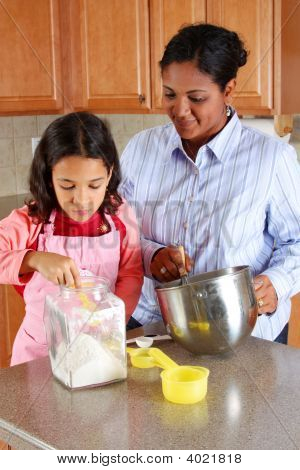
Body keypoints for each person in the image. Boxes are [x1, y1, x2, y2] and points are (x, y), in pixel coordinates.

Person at [119, 23, 300, 343]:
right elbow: (117, 230)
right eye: (170, 95)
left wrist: (278, 282)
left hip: (244, 334)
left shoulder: (272, 158)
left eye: (197, 98)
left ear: (228, 90)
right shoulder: (140, 149)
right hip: (152, 326)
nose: (180, 111)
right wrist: (151, 255)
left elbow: (296, 242)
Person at [0, 112, 143, 365]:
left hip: (98, 351)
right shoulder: (32, 220)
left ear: (109, 174)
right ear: (49, 177)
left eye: (94, 185)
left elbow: (130, 275)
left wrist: (111, 324)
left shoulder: (121, 216)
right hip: (38, 356)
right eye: (68, 186)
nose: (82, 199)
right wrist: (34, 259)